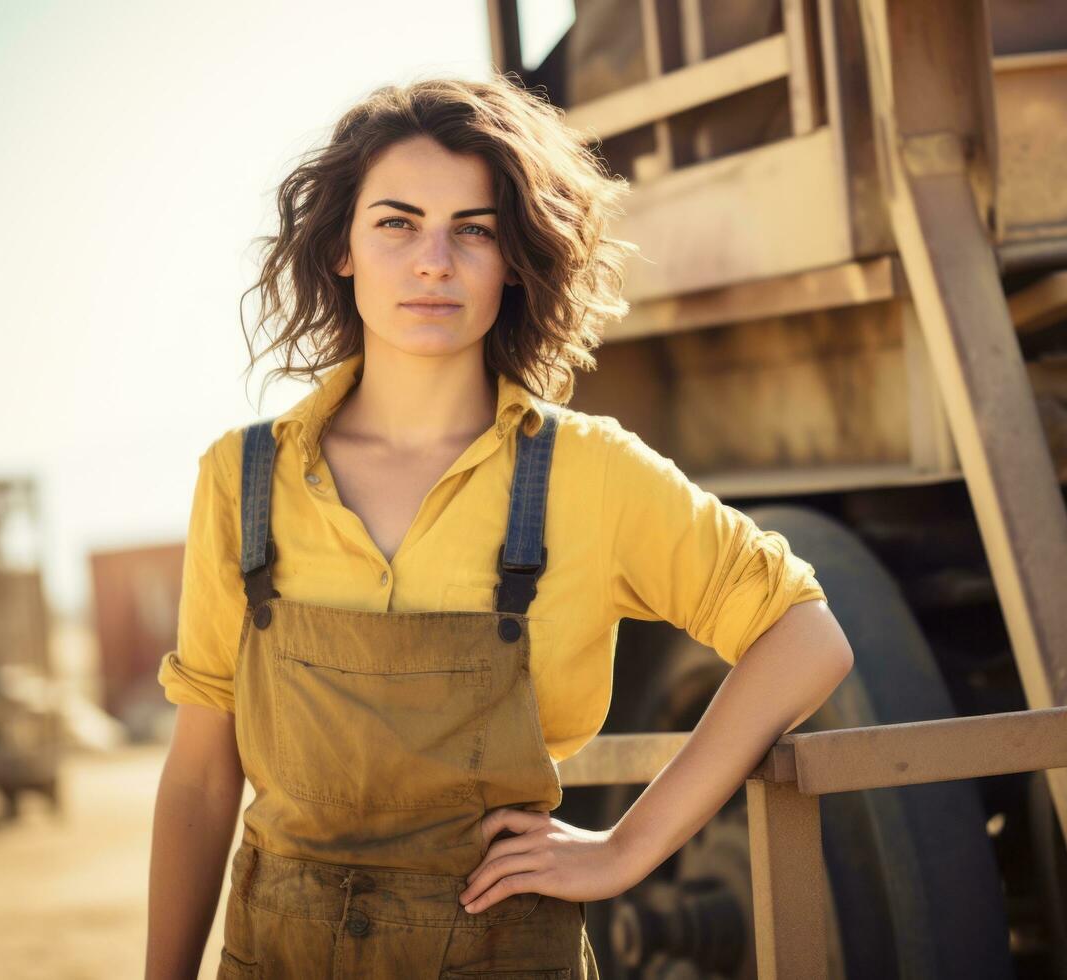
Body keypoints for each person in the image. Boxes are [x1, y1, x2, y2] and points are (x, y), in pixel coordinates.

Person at [146, 75, 854, 980]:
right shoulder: (242, 479)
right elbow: (204, 778)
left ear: (514, 259)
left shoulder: (588, 472)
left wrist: (624, 849)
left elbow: (804, 633)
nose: (433, 261)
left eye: (473, 230)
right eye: (396, 223)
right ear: (343, 251)